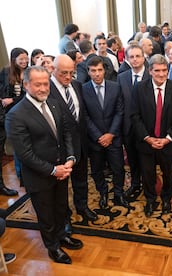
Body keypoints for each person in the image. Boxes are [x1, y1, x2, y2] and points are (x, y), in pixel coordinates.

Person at [5, 66, 82, 264]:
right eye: (37, 84)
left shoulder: (54, 104)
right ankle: (53, 247)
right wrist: (53, 170)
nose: (42, 88)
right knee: (46, 216)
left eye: (45, 83)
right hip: (40, 177)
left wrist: (70, 158)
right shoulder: (16, 115)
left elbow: (66, 134)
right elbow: (25, 154)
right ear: (26, 85)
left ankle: (62, 235)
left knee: (61, 208)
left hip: (62, 171)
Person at [131, 54, 172, 217]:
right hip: (146, 142)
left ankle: (167, 198)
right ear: (150, 71)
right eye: (157, 71)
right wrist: (147, 138)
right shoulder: (139, 88)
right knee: (148, 174)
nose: (161, 74)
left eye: (164, 70)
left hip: (168, 142)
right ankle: (150, 199)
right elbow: (135, 116)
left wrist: (167, 138)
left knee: (168, 173)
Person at [49, 54, 98, 225]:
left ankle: (82, 206)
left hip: (81, 144)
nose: (68, 77)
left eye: (72, 72)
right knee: (61, 188)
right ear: (52, 70)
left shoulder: (77, 85)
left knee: (81, 179)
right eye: (63, 73)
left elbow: (81, 116)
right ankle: (64, 217)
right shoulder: (46, 90)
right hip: (60, 148)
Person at [82, 56, 128, 209]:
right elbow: (85, 116)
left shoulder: (115, 87)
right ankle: (102, 192)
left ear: (104, 71)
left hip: (113, 137)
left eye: (99, 70)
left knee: (118, 168)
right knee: (96, 170)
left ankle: (119, 194)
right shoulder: (83, 89)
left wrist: (111, 134)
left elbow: (119, 112)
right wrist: (98, 136)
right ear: (88, 72)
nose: (97, 74)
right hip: (94, 140)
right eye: (93, 71)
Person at [117, 45, 150, 200]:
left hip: (146, 127)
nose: (135, 59)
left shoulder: (152, 75)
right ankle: (135, 183)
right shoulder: (121, 77)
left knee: (147, 159)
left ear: (144, 58)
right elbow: (120, 103)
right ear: (127, 59)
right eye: (132, 57)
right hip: (128, 127)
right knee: (132, 159)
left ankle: (149, 185)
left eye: (138, 56)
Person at [0, 47, 29, 189]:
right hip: (11, 114)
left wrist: (12, 100)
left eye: (26, 58)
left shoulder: (30, 72)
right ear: (14, 60)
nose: (24, 61)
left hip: (27, 111)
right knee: (17, 146)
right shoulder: (6, 72)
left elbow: (28, 95)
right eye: (21, 59)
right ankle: (20, 176)